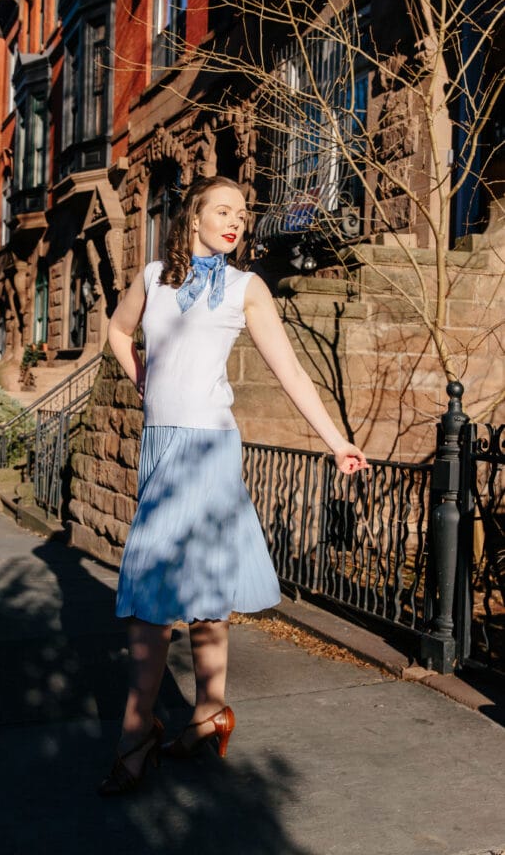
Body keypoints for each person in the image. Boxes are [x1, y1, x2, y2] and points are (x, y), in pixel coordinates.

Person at [98, 176, 368, 796]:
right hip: (161, 446)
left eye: (242, 213)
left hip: (210, 450)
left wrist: (336, 441)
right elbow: (116, 333)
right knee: (163, 597)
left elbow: (292, 371)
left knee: (174, 599)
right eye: (223, 210)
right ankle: (203, 715)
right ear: (192, 215)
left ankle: (143, 733)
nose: (236, 221)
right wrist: (142, 378)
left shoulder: (246, 289)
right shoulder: (152, 278)